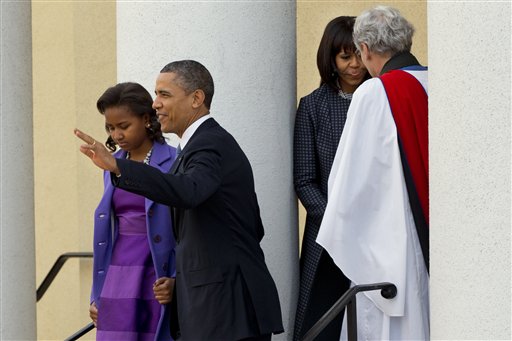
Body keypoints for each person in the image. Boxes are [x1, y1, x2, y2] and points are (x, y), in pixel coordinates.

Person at [75, 60, 284, 341]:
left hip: (226, 309)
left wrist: (118, 166)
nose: (156, 103)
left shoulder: (210, 144)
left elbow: (188, 190)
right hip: (214, 308)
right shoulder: (195, 147)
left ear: (197, 98)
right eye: (156, 94)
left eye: (165, 94)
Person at [316, 6, 429, 340]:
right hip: (436, 237)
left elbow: (348, 180)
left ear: (364, 50)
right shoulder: (434, 81)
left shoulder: (374, 92)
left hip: (395, 241)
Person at [293, 16, 369, 341]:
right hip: (326, 234)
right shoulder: (313, 106)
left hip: (376, 231)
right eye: (345, 56)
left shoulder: (380, 99)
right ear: (331, 59)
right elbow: (304, 180)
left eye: (360, 55)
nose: (355, 64)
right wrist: (337, 223)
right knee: (320, 321)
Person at [88, 82, 177, 340]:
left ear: (147, 119)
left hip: (156, 267)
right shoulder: (110, 167)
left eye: (124, 126)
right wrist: (97, 293)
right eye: (110, 127)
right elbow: (106, 232)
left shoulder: (174, 160)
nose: (116, 135)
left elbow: (187, 227)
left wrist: (177, 279)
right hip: (119, 268)